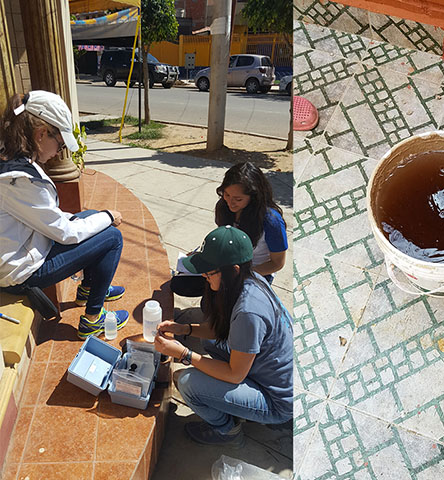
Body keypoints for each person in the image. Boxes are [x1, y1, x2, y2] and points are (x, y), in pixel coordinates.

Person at [0, 91, 129, 338]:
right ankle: (93, 319)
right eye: (60, 144)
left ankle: (89, 290)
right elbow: (66, 233)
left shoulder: (12, 158)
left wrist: (97, 216)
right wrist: (109, 216)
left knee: (91, 217)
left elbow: (47, 218)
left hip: (22, 253)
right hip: (21, 274)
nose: (59, 152)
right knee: (112, 236)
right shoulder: (19, 181)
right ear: (40, 134)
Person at [154, 226, 294, 446]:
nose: (203, 276)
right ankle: (234, 404)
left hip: (277, 401)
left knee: (188, 382)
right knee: (208, 339)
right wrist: (184, 329)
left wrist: (184, 354)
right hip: (264, 370)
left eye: (209, 272)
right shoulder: (251, 278)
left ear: (234, 270)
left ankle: (226, 431)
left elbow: (235, 375)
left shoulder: (249, 312)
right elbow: (219, 329)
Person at [172, 162, 289, 297]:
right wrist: (203, 256)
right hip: (226, 264)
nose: (230, 202)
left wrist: (242, 275)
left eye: (238, 199)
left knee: (221, 306)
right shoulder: (224, 207)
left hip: (254, 271)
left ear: (254, 197)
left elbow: (277, 263)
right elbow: (224, 241)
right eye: (226, 195)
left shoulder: (271, 221)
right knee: (180, 284)